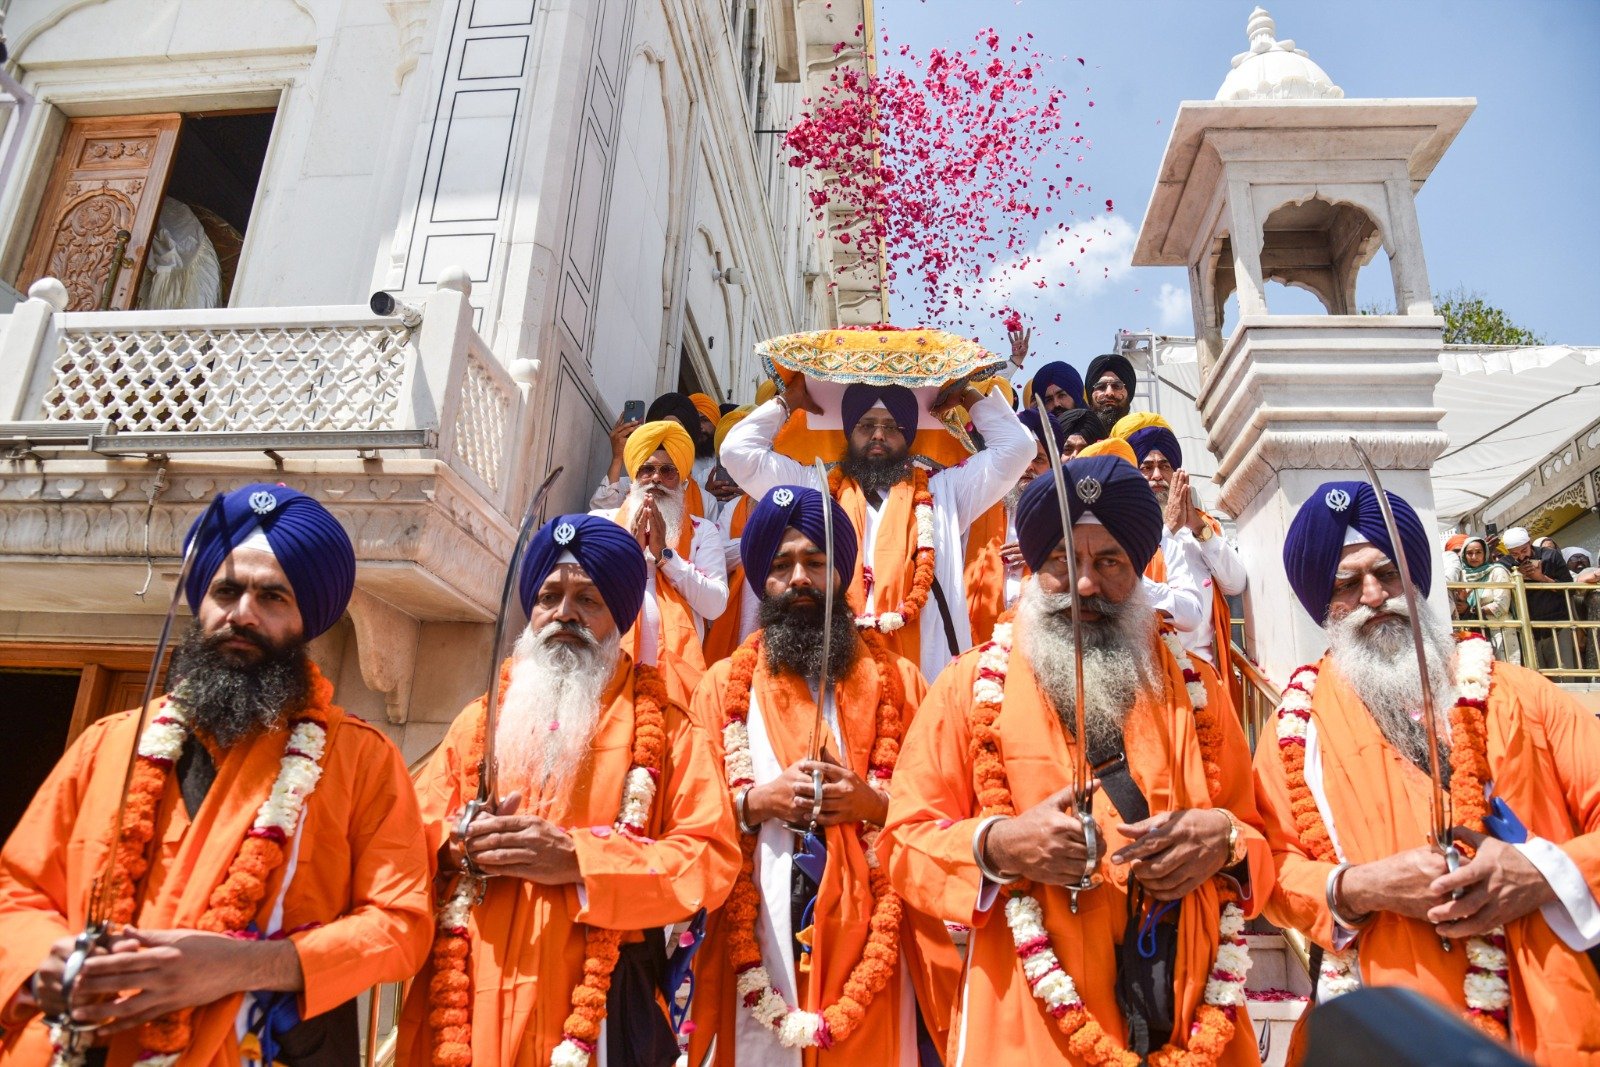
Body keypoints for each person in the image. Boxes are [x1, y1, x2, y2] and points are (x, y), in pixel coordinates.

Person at [0, 484, 432, 1065]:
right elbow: (17, 890)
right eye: (226, 591)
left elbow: (400, 924)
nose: (242, 614)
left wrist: (243, 965)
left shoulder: (361, 758)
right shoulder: (109, 742)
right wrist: (42, 963)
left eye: (272, 597)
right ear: (201, 603)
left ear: (307, 620)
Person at [881, 455, 1270, 1066]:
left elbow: (1258, 836)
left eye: (1109, 561)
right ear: (1035, 569)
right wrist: (998, 846)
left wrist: (1223, 842)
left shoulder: (1198, 687)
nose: (1086, 584)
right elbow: (903, 841)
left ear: (1139, 572)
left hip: (1185, 1005)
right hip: (1028, 1017)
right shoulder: (968, 685)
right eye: (1064, 560)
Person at [1254, 482, 1600, 1063]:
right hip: (1395, 1029)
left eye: (1388, 574)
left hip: (1552, 1018)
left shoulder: (1522, 693)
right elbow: (1274, 870)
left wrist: (1541, 872)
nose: (1374, 596)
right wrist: (1361, 886)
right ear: (1324, 605)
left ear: (1414, 581)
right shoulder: (1295, 732)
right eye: (1346, 584)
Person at [398, 514, 739, 1066]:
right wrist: (457, 842)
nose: (564, 614)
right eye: (549, 597)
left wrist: (579, 861)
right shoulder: (481, 721)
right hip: (472, 986)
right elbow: (408, 834)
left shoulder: (668, 729)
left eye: (588, 600)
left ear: (620, 616)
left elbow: (709, 858)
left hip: (602, 1004)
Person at [688, 486, 959, 1065]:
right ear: (762, 581)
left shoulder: (902, 682)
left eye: (816, 562)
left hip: (876, 940)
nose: (800, 579)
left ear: (842, 574)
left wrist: (875, 805)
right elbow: (684, 817)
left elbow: (947, 810)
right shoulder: (721, 686)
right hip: (754, 933)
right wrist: (756, 803)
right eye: (782, 566)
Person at [721, 376, 1033, 685]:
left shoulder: (945, 492)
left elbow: (1017, 448)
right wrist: (789, 401)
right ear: (849, 433)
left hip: (926, 675)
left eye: (893, 427)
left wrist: (965, 395)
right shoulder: (814, 487)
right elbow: (737, 452)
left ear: (908, 436)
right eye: (866, 425)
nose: (879, 435)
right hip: (838, 674)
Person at [963, 412, 1202, 648]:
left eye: (1117, 484)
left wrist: (1127, 579)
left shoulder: (1159, 540)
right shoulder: (1047, 531)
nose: (1086, 583)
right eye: (1066, 559)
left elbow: (1191, 613)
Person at [1112, 412, 1248, 705]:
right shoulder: (1120, 532)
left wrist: (1198, 528)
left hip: (1207, 676)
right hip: (1150, 677)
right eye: (1146, 467)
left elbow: (1236, 583)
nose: (1157, 476)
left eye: (1165, 466)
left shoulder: (1203, 528)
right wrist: (1168, 530)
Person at [591, 419, 729, 703]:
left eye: (668, 471)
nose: (656, 478)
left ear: (683, 483)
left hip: (675, 685)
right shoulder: (602, 523)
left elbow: (715, 605)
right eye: (647, 470)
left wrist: (667, 556)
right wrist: (627, 551)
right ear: (633, 478)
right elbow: (587, 593)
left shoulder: (702, 531)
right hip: (606, 669)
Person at [593, 392, 720, 519]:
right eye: (662, 428)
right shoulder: (628, 485)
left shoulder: (706, 502)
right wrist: (617, 458)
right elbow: (600, 519)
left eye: (676, 431)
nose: (656, 477)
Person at [703, 407, 758, 663]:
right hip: (738, 615)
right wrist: (758, 544)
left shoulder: (794, 498)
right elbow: (717, 555)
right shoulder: (735, 507)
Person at [1503, 526, 1577, 670]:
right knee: (1536, 676)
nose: (1521, 557)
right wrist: (1517, 576)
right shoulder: (1505, 564)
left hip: (1557, 626)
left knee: (1564, 673)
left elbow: (1570, 589)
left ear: (1529, 543)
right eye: (1515, 554)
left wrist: (1541, 578)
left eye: (1524, 551)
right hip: (1527, 630)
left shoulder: (1551, 556)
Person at [1453, 535, 1522, 665]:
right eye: (1469, 553)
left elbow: (1501, 606)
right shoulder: (1462, 576)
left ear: (1485, 553)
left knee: (1504, 671)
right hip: (1473, 634)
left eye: (1478, 552)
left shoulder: (1497, 571)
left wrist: (1472, 610)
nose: (1474, 557)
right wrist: (1462, 601)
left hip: (1499, 630)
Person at [1084, 352, 1137, 432]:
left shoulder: (1144, 434)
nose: (1109, 393)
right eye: (1101, 386)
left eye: (1117, 386)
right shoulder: (1075, 437)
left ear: (1128, 393)